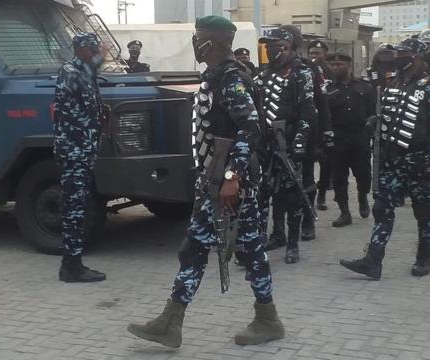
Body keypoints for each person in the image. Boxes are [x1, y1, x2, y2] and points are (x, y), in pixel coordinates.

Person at [127, 16, 284, 348]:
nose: (196, 44)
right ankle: (171, 321)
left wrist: (232, 177)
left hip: (232, 184)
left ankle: (267, 319)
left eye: (199, 38)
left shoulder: (231, 79)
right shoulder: (214, 77)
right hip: (213, 182)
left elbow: (250, 129)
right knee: (196, 249)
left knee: (250, 249)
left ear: (213, 42)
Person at [339, 38, 430, 279]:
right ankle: (373, 260)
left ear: (416, 57)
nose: (398, 58)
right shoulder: (395, 82)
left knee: (424, 212)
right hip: (392, 159)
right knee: (382, 208)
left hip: (419, 160)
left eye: (403, 54)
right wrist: (377, 122)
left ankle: (424, 257)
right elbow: (389, 114)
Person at [255, 27, 316, 263]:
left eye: (274, 45)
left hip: (289, 143)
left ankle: (293, 243)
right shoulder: (263, 75)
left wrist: (300, 143)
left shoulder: (301, 73)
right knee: (264, 193)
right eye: (267, 46)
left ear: (288, 46)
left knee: (291, 195)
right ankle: (275, 235)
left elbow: (308, 111)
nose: (270, 50)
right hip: (265, 145)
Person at [54, 33, 107, 283]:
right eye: (92, 49)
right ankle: (71, 267)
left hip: (83, 150)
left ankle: (72, 263)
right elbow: (84, 77)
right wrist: (99, 60)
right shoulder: (71, 71)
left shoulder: (84, 72)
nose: (95, 53)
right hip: (73, 151)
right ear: (81, 50)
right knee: (74, 210)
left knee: (79, 207)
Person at [326, 50, 374, 227]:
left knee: (363, 174)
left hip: (359, 137)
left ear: (349, 66)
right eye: (333, 65)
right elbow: (325, 116)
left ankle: (362, 197)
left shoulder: (365, 87)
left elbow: (373, 113)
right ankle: (344, 212)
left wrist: (370, 127)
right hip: (339, 139)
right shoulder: (329, 89)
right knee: (339, 177)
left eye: (340, 65)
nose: (336, 68)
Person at [308, 40, 335, 212]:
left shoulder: (330, 70)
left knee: (326, 162)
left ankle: (322, 193)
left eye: (317, 53)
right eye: (311, 53)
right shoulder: (305, 69)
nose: (314, 56)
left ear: (324, 54)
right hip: (311, 122)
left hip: (327, 120)